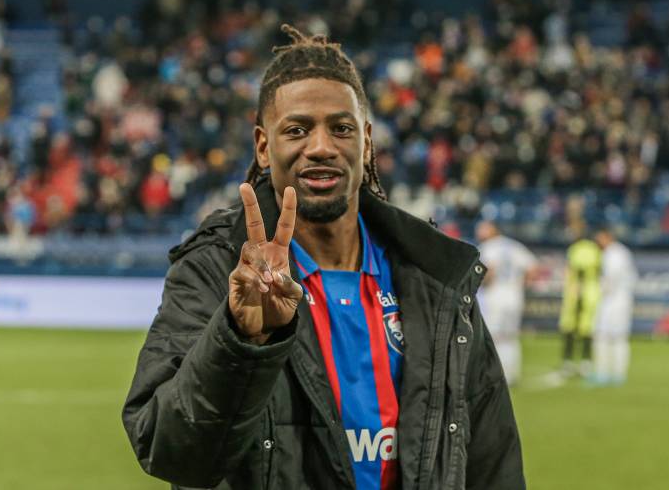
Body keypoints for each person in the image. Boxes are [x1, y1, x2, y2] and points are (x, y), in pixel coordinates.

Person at [122, 25, 524, 490]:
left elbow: (494, 464)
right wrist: (240, 340)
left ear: (366, 141)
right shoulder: (217, 269)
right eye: (297, 129)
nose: (320, 147)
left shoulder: (437, 279)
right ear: (263, 146)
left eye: (341, 128)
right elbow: (170, 450)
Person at [476, 221, 538, 386]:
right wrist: (521, 284)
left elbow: (488, 272)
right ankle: (511, 375)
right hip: (514, 295)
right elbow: (533, 267)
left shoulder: (488, 247)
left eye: (483, 228)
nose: (480, 231)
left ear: (492, 230)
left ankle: (494, 375)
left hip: (495, 296)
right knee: (510, 336)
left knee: (493, 336)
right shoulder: (514, 246)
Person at [592, 228, 638, 385]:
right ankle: (610, 373)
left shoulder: (614, 253)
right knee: (612, 336)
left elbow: (611, 278)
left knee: (609, 336)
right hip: (618, 299)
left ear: (607, 237)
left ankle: (608, 373)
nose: (598, 242)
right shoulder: (620, 252)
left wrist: (600, 289)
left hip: (614, 300)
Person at [558, 231, 602, 376]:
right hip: (591, 291)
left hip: (577, 291)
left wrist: (578, 288)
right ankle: (585, 362)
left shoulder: (576, 249)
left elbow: (577, 269)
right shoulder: (595, 249)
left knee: (571, 327)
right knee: (586, 328)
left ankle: (568, 362)